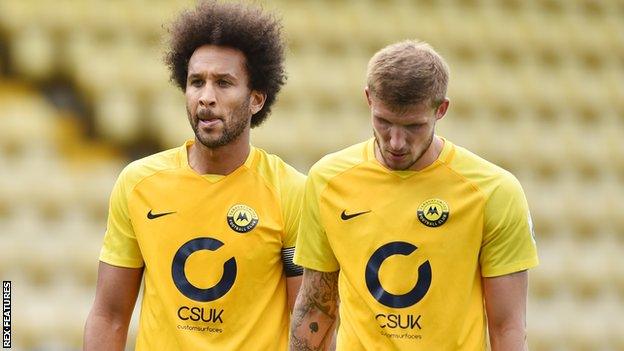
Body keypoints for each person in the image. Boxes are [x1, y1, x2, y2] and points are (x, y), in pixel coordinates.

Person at [290, 40, 539, 351]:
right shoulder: (327, 180)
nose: (395, 141)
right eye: (384, 122)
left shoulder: (494, 191)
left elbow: (508, 327)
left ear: (441, 109)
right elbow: (317, 307)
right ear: (369, 100)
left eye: (413, 126)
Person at [83, 1, 304, 350]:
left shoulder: (292, 192)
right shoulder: (138, 183)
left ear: (256, 99)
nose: (206, 98)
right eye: (196, 82)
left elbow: (307, 324)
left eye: (224, 83)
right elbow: (109, 315)